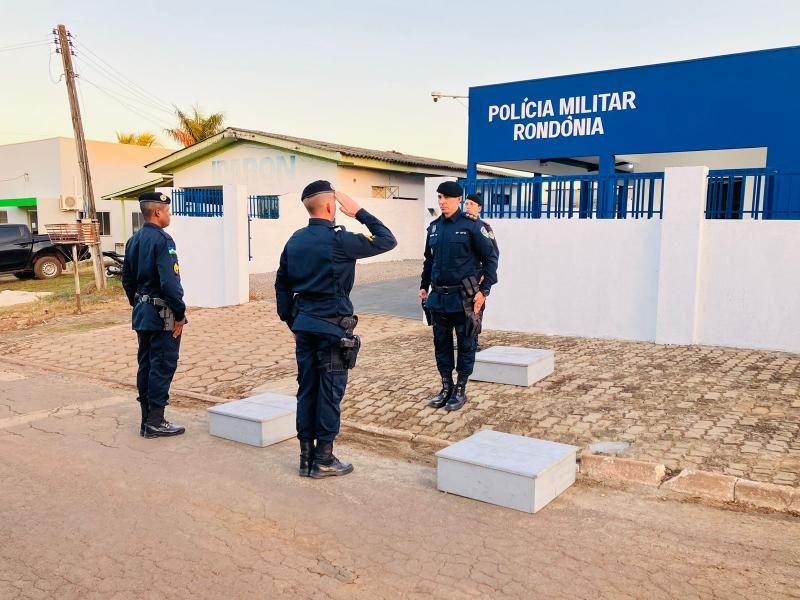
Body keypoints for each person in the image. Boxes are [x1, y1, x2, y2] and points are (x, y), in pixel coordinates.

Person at [275, 180, 396, 478]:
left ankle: (306, 458)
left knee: (307, 391)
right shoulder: (340, 240)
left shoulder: (295, 240)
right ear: (331, 206)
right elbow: (387, 239)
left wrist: (292, 320)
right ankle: (324, 459)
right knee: (329, 394)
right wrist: (359, 212)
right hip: (332, 330)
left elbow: (281, 284)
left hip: (304, 326)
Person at [419, 181, 498, 412]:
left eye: (446, 197)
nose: (441, 202)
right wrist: (424, 286)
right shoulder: (434, 228)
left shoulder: (472, 227)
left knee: (466, 344)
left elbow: (491, 258)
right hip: (439, 299)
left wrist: (484, 292)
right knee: (441, 345)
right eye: (439, 197)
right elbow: (429, 260)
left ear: (458, 200)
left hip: (465, 299)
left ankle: (460, 389)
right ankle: (446, 386)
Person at [121, 192, 187, 439]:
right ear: (158, 212)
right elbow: (170, 282)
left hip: (142, 312)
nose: (169, 215)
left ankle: (146, 420)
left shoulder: (133, 240)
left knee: (146, 365)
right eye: (167, 211)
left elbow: (127, 279)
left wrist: (138, 304)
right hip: (163, 314)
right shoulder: (163, 240)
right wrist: (179, 313)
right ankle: (155, 422)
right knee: (162, 365)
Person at [463, 192, 499, 351]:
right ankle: (465, 340)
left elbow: (493, 253)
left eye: (471, 204)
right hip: (462, 276)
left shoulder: (483, 227)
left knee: (475, 310)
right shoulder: (460, 225)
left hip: (477, 276)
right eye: (466, 203)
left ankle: (473, 341)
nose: (467, 206)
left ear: (479, 208)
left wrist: (486, 274)